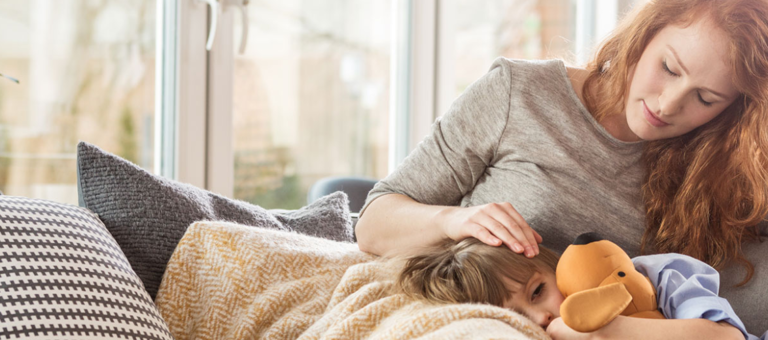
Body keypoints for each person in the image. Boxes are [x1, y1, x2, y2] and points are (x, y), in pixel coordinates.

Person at [356, 0, 768, 337]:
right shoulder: (518, 94)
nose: (668, 104)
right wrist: (454, 220)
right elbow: (372, 224)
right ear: (644, 35)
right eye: (669, 68)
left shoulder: (723, 160)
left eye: (706, 98)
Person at [397, 238, 761, 340]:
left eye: (538, 291)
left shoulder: (647, 278)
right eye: (514, 316)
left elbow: (724, 338)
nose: (541, 317)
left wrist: (606, 330)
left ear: (553, 265)